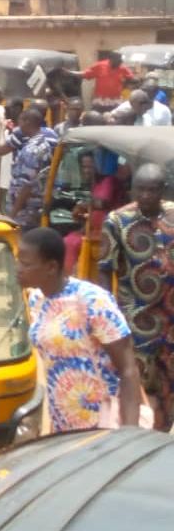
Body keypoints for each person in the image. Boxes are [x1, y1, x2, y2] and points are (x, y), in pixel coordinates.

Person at [18, 226, 145, 434]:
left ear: (51, 267)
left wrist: (129, 434)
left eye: (25, 263)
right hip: (63, 425)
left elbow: (128, 369)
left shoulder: (91, 301)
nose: (18, 268)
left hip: (103, 425)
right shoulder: (36, 300)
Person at [97, 165, 174, 432]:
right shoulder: (117, 220)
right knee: (134, 387)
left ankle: (161, 439)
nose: (146, 195)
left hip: (170, 323)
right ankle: (132, 441)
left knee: (168, 389)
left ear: (162, 191)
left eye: (152, 190)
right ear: (132, 189)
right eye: (140, 189)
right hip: (134, 321)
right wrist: (109, 317)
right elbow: (105, 269)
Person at [7, 108, 52, 229]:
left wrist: (13, 214)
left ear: (27, 122)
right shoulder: (44, 144)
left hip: (25, 211)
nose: (18, 125)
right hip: (36, 207)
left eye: (20, 121)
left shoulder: (31, 150)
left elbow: (26, 185)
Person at [69, 52, 134, 112]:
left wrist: (124, 85)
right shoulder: (100, 66)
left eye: (120, 60)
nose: (120, 62)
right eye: (118, 60)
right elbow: (85, 74)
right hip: (100, 102)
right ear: (111, 59)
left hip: (115, 102)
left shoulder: (123, 68)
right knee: (96, 120)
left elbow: (131, 78)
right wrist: (70, 73)